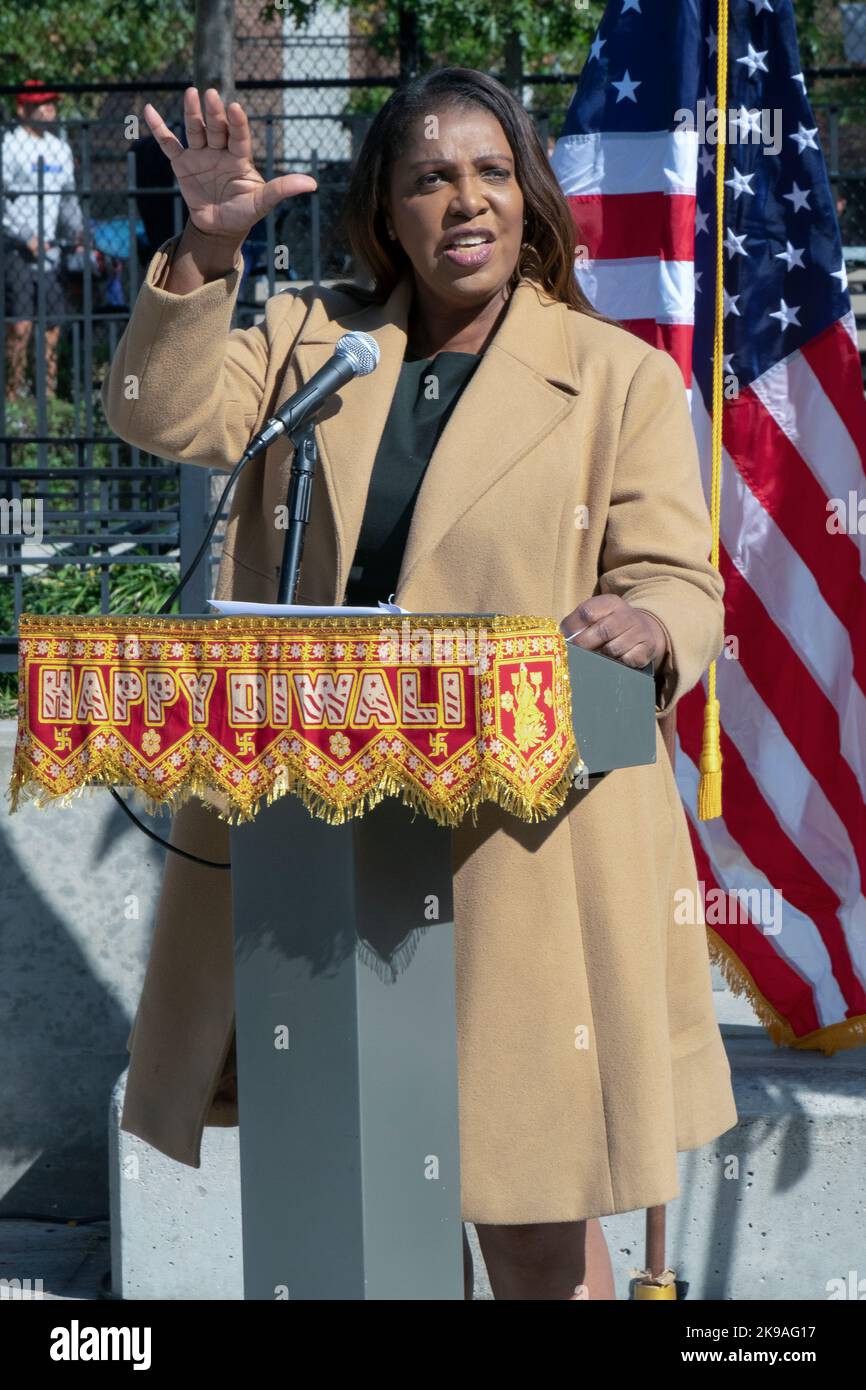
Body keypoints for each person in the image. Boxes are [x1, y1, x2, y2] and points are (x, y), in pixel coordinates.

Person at [101, 73, 738, 1301]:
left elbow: (676, 576)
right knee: (365, 1210)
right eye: (429, 177)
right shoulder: (308, 341)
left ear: (528, 195)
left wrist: (646, 623)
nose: (465, 199)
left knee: (530, 1225)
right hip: (323, 852)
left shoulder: (614, 379)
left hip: (517, 856)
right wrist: (208, 244)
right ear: (384, 214)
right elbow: (154, 412)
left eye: (491, 172)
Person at [2, 81, 85, 400]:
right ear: (22, 110)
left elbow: (67, 199)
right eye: (41, 104)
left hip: (50, 253)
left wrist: (77, 234)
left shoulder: (59, 148)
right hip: (15, 251)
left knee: (51, 328)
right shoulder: (9, 147)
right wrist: (25, 236)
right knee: (20, 327)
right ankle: (13, 398)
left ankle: (47, 399)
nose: (49, 108)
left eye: (52, 102)